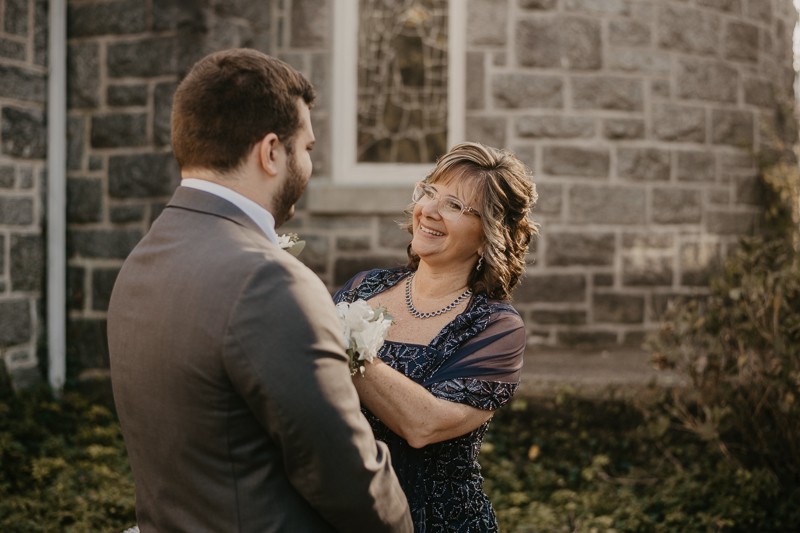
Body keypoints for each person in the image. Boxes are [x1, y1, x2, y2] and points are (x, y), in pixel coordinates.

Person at [107, 49, 412, 533]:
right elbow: (351, 482)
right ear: (271, 152)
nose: (309, 163)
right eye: (306, 148)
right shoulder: (268, 281)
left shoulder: (142, 260)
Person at [334, 142, 538, 532]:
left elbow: (423, 425)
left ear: (488, 235)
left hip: (436, 521)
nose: (428, 209)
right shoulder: (364, 287)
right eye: (429, 192)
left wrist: (340, 341)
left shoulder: (494, 328)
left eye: (455, 206)